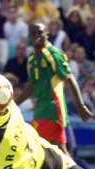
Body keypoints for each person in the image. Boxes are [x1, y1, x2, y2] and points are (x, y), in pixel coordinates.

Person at [15, 22, 94, 156]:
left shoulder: (53, 53)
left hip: (52, 110)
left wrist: (80, 105)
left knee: (45, 152)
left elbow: (70, 79)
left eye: (40, 32)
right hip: (41, 110)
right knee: (56, 154)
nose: (36, 36)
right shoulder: (32, 59)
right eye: (33, 33)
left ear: (47, 34)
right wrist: (11, 105)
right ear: (29, 36)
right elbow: (29, 89)